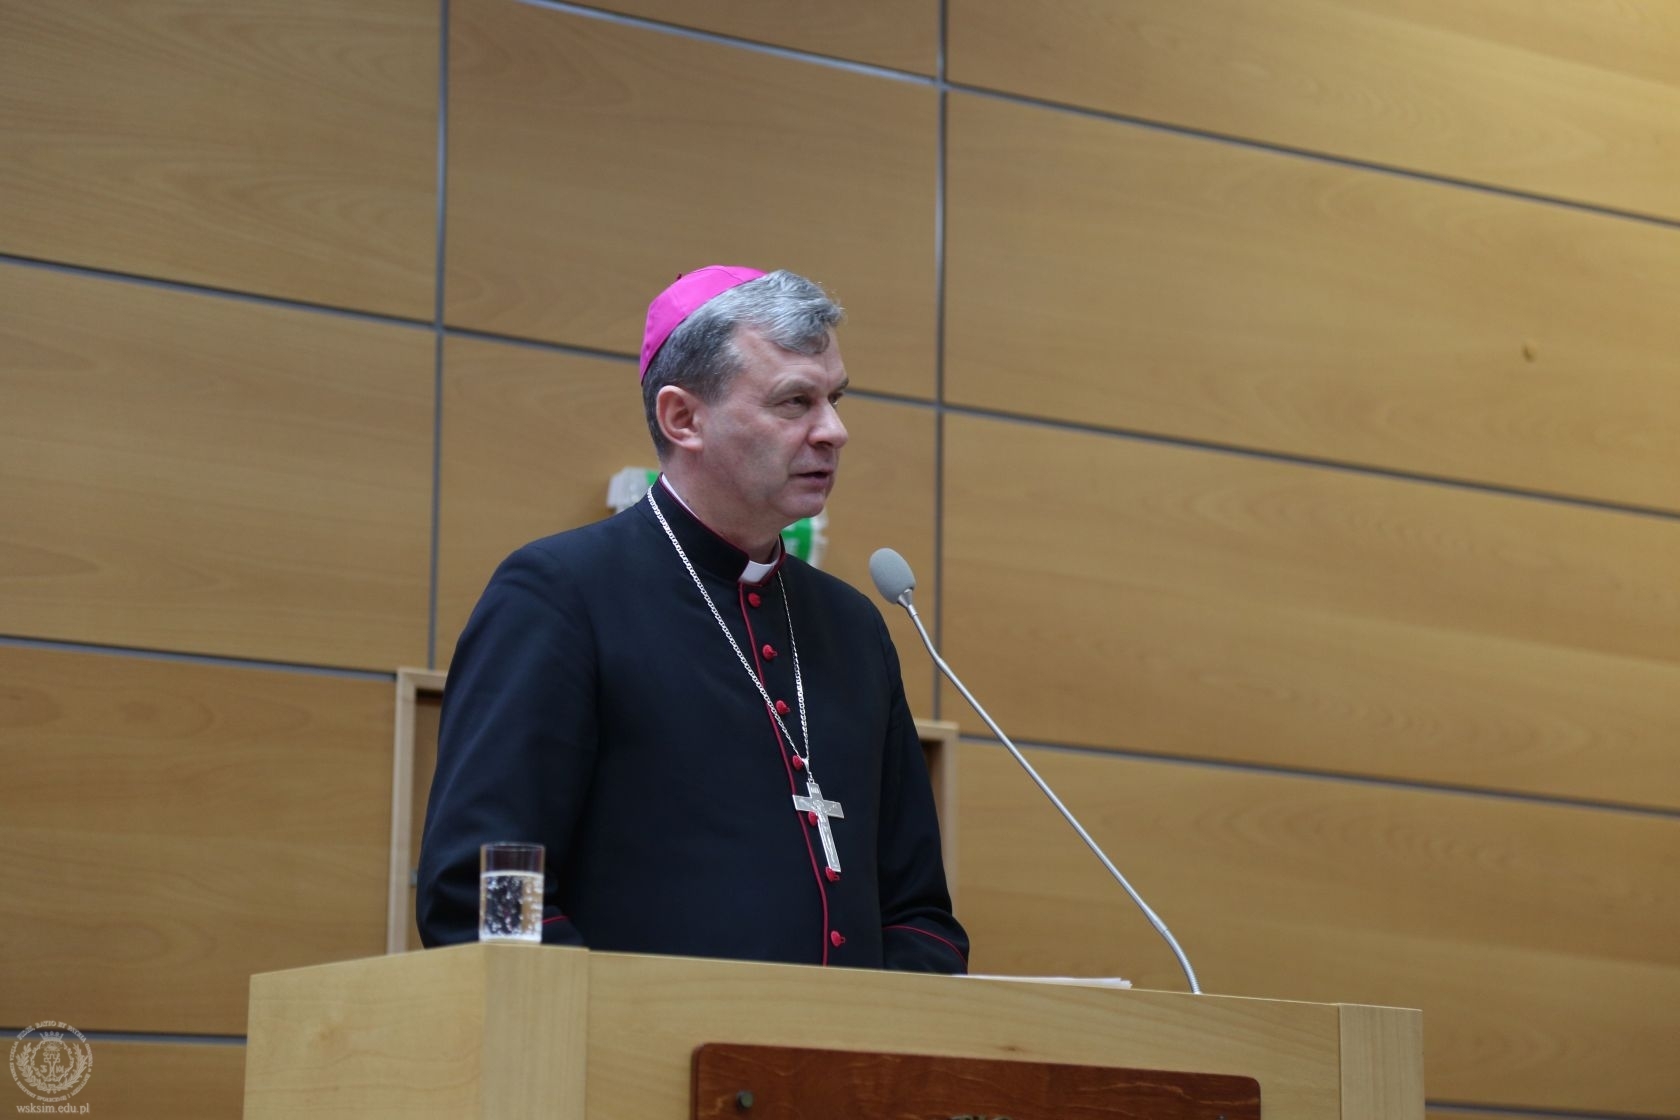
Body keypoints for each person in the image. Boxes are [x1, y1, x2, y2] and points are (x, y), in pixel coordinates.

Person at [416, 266, 968, 972]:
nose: (834, 431)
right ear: (684, 419)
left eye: (834, 398)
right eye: (795, 402)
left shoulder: (853, 628)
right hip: (629, 1041)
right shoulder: (559, 595)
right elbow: (483, 891)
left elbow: (918, 912)